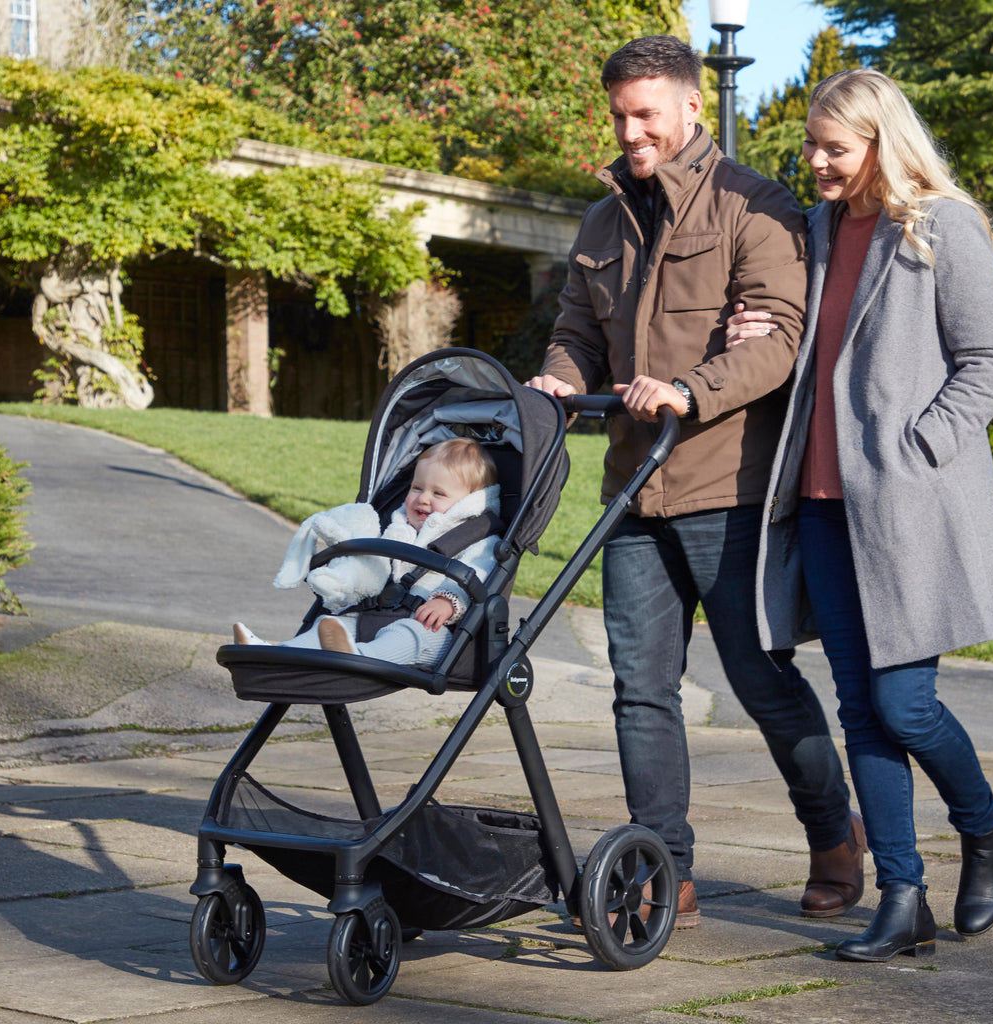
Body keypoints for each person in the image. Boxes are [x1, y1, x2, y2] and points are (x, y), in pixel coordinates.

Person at [526, 35, 860, 930]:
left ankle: (834, 835)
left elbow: (779, 339)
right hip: (634, 489)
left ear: (690, 109)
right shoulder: (603, 223)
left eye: (646, 115)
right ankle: (660, 865)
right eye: (620, 117)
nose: (632, 133)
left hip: (730, 485)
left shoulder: (756, 204)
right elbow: (575, 330)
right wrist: (561, 375)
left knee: (759, 679)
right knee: (640, 684)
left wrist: (688, 389)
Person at [728, 68, 993, 962]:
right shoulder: (813, 229)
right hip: (819, 507)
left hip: (908, 508)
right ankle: (902, 895)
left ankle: (982, 831)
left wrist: (920, 444)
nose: (814, 161)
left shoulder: (942, 226)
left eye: (833, 148)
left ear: (880, 145)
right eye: (810, 144)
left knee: (907, 703)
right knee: (861, 710)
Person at [234, 437, 501, 666]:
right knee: (330, 627)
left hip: (435, 630)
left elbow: (479, 572)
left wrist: (448, 601)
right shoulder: (396, 525)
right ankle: (275, 655)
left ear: (467, 502)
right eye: (417, 488)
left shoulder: (476, 537)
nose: (423, 498)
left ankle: (356, 656)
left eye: (438, 493)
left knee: (408, 634)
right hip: (375, 615)